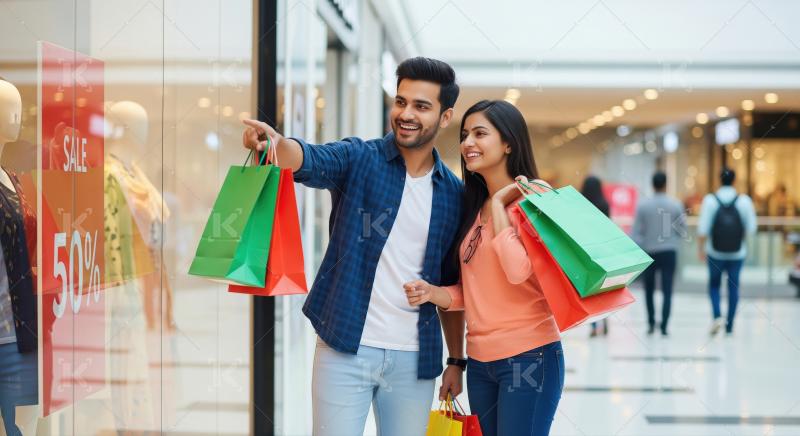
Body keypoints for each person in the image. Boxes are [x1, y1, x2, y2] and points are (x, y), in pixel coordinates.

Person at [242, 57, 465, 436]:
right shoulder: (361, 158)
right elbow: (309, 159)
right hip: (345, 347)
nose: (406, 114)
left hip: (415, 360)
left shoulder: (453, 194)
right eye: (401, 101)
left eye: (421, 106)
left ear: (445, 117)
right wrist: (277, 145)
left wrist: (457, 359)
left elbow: (449, 281)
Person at [403, 100, 564, 436]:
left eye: (480, 133)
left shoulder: (536, 198)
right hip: (480, 363)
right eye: (464, 135)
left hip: (529, 356)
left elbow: (518, 271)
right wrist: (435, 294)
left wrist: (500, 207)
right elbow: (478, 290)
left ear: (508, 143)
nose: (467, 144)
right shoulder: (473, 210)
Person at [697, 168, 757, 336]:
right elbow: (752, 228)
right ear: (734, 181)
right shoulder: (744, 201)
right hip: (737, 253)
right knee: (733, 287)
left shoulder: (710, 200)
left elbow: (703, 229)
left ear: (719, 180)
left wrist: (700, 249)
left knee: (714, 285)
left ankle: (717, 316)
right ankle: (730, 325)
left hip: (714, 252)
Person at [632, 171, 686, 336]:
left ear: (652, 184)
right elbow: (682, 229)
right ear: (666, 184)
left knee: (648, 289)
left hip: (649, 251)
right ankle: (664, 326)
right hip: (669, 251)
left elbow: (637, 232)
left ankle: (650, 323)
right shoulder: (675, 204)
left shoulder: (643, 205)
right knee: (667, 288)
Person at [581, 175, 611, 337]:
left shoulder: (580, 205)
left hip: (586, 251)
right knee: (604, 289)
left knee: (590, 290)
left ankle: (593, 326)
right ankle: (606, 320)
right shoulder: (604, 204)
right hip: (603, 250)